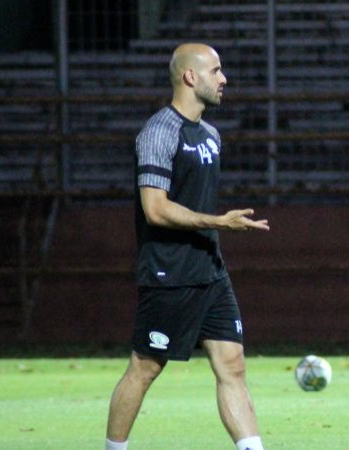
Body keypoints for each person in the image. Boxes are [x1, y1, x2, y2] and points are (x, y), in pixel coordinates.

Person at [105, 43, 269, 450]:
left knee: (232, 365)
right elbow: (155, 209)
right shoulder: (159, 131)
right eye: (216, 71)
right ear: (190, 77)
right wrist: (218, 222)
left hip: (210, 269)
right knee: (144, 368)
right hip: (168, 272)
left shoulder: (211, 136)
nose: (224, 79)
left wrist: (215, 233)